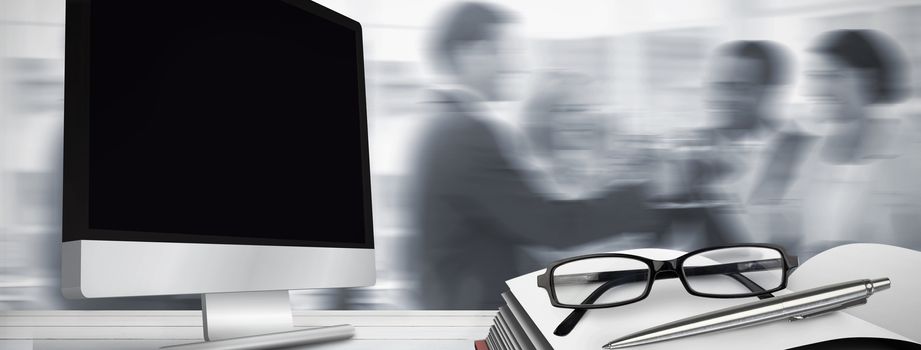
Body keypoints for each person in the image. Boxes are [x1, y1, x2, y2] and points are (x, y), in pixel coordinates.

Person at [412, 2, 664, 309]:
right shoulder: (466, 134)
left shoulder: (439, 123)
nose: (513, 65)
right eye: (504, 50)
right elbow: (552, 227)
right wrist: (650, 194)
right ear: (472, 52)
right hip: (474, 316)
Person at [797, 29, 914, 256]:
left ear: (869, 79)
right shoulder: (808, 155)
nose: (819, 88)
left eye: (833, 76)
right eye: (814, 76)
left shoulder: (908, 153)